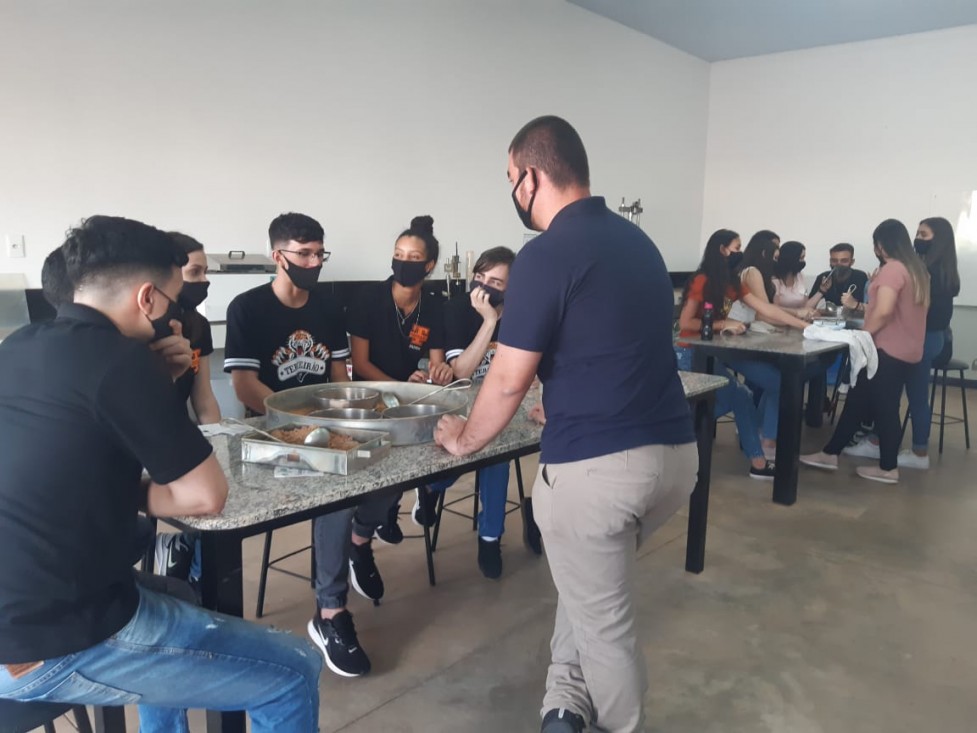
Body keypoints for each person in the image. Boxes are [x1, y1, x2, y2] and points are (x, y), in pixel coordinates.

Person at [0, 215, 321, 732]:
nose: (178, 313)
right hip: (47, 641)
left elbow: (71, 458)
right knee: (293, 669)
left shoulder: (20, 344)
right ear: (147, 298)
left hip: (22, 604)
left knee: (177, 596)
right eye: (175, 299)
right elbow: (204, 496)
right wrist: (149, 391)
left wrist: (157, 383)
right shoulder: (119, 361)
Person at [434, 115, 698, 733]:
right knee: (589, 591)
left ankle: (613, 722)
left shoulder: (544, 254)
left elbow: (508, 378)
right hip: (674, 458)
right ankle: (565, 704)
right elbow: (615, 347)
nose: (511, 190)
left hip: (597, 472)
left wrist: (464, 439)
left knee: (606, 628)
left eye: (510, 177)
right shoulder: (639, 244)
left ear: (531, 177)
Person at [224, 212, 376, 678]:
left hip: (326, 426)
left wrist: (349, 415)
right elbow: (245, 386)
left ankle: (361, 539)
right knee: (336, 493)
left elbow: (338, 375)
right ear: (278, 255)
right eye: (304, 254)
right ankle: (331, 612)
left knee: (389, 465)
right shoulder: (247, 308)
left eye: (319, 254)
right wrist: (298, 423)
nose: (314, 262)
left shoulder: (328, 307)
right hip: (271, 434)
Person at [413, 246, 525, 578]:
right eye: (479, 277)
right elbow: (461, 373)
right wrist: (489, 322)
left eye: (495, 282)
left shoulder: (521, 312)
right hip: (460, 402)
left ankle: (490, 537)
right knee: (473, 445)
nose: (483, 287)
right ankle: (432, 488)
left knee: (496, 450)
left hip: (501, 403)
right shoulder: (457, 308)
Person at [348, 215, 452, 543]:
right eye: (398, 255)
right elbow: (360, 364)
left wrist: (436, 374)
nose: (403, 262)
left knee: (440, 445)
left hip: (406, 399)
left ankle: (413, 497)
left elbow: (436, 363)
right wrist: (401, 387)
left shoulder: (433, 305)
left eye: (413, 257)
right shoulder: (369, 299)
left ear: (429, 265)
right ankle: (368, 527)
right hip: (368, 398)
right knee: (389, 463)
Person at [801, 219, 929, 484]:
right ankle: (830, 453)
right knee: (857, 402)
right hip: (907, 349)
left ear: (880, 245)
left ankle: (888, 468)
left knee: (885, 408)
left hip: (886, 350)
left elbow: (884, 311)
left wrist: (862, 336)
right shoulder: (916, 270)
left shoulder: (893, 269)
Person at [845, 217, 960, 469]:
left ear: (939, 239)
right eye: (916, 233)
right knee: (893, 393)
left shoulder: (926, 271)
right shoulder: (928, 269)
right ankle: (881, 441)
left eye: (923, 234)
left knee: (911, 395)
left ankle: (918, 452)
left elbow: (907, 312)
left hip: (923, 339)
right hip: (927, 338)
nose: (917, 239)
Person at [676, 229, 776, 479]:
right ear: (722, 249)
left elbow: (766, 309)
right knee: (739, 396)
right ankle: (757, 462)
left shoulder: (733, 282)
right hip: (687, 352)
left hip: (709, 352)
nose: (740, 252)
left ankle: (678, 433)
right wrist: (723, 324)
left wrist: (803, 323)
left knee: (737, 397)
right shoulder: (702, 280)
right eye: (736, 247)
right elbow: (686, 323)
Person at [154, 231, 222, 586]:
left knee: (218, 490)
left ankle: (190, 562)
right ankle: (174, 551)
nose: (204, 281)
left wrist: (219, 443)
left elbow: (204, 398)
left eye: (205, 272)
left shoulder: (198, 325)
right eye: (195, 272)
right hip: (146, 437)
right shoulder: (143, 330)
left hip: (178, 433)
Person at [737, 233, 817, 327]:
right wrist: (799, 317)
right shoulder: (752, 272)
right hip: (742, 326)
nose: (778, 251)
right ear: (764, 252)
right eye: (774, 247)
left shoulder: (754, 272)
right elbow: (765, 311)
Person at [806, 243, 869, 311]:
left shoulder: (860, 277)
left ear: (852, 262)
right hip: (830, 317)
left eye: (844, 261)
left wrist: (854, 303)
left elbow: (871, 308)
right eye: (834, 261)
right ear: (830, 261)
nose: (839, 264)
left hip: (855, 316)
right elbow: (807, 308)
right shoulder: (824, 277)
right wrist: (821, 291)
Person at [772, 241, 812, 311]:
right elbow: (774, 308)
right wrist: (796, 313)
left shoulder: (800, 276)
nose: (803, 261)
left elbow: (805, 304)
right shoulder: (775, 279)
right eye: (801, 258)